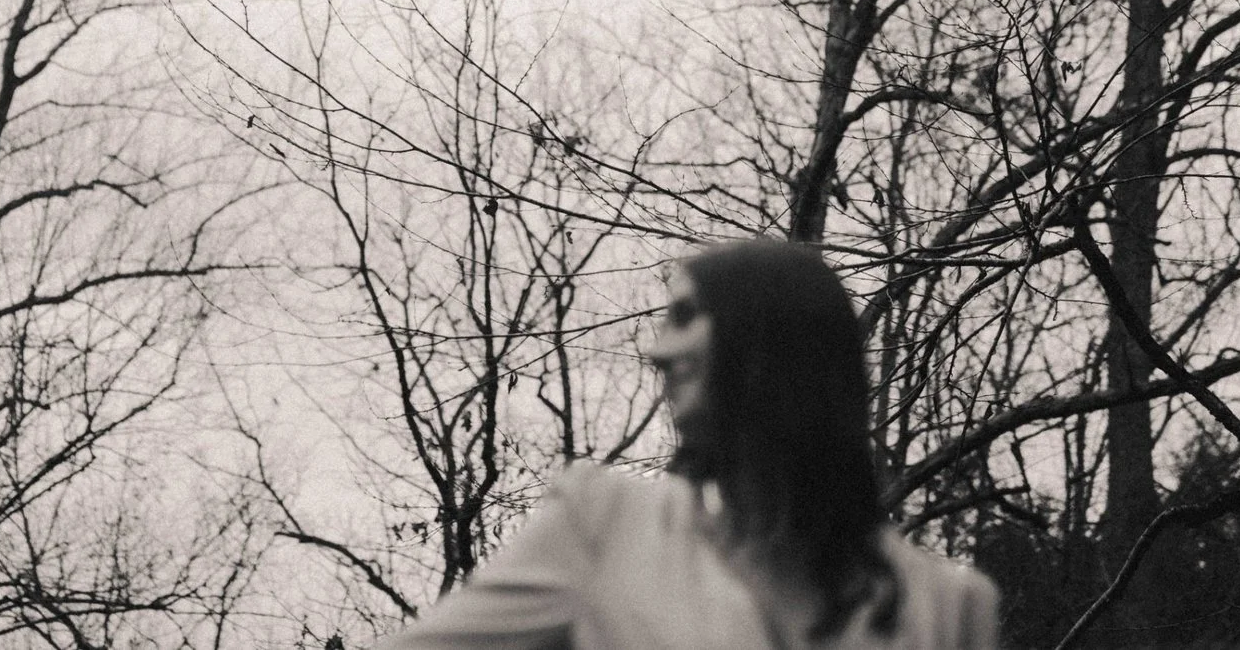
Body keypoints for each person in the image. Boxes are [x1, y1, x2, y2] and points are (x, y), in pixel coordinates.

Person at [380, 236, 999, 650]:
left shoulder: (949, 608)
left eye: (682, 317)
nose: (656, 351)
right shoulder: (602, 525)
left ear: (766, 339)